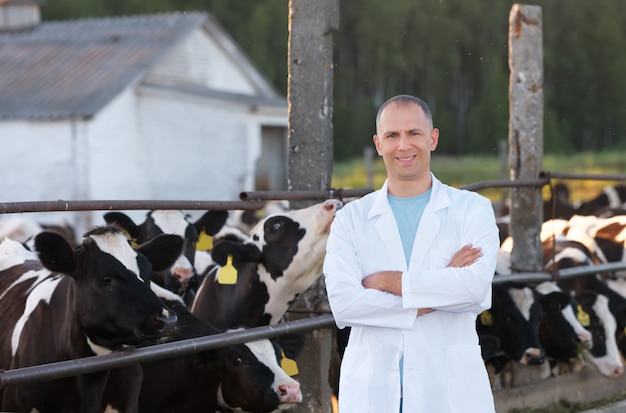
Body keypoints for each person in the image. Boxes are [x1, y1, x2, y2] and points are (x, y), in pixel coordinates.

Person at [323, 94, 499, 412]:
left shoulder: (472, 210)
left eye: (414, 133)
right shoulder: (351, 219)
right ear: (378, 144)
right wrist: (441, 286)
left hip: (448, 389)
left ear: (432, 138)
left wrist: (388, 281)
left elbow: (474, 290)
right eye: (392, 135)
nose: (404, 145)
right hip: (374, 391)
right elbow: (345, 304)